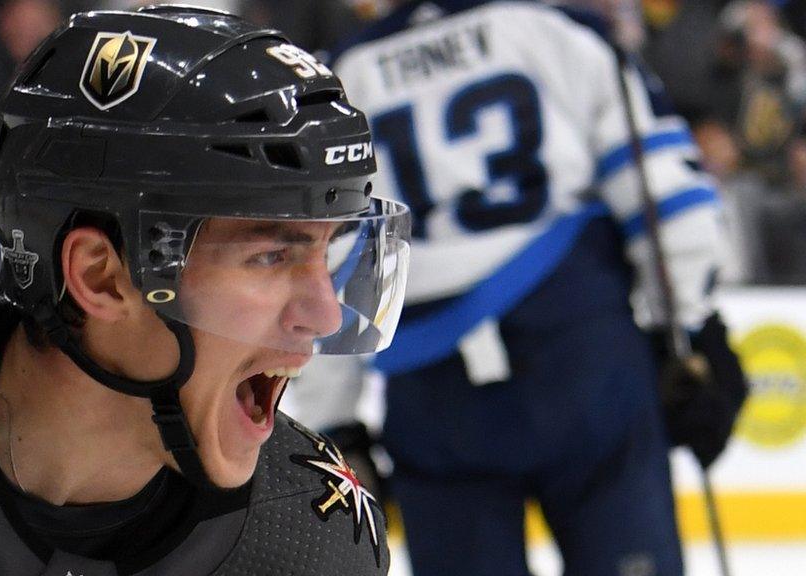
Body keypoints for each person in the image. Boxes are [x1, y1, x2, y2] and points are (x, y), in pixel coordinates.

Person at [0, 7, 412, 575]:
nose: (325, 314)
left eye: (326, 252)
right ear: (99, 277)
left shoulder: (315, 538)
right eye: (271, 255)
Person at [283, 1, 748, 575]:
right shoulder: (554, 31)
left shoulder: (343, 78)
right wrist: (695, 332)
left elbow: (332, 268)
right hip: (582, 359)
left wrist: (336, 424)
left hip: (434, 397)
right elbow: (664, 196)